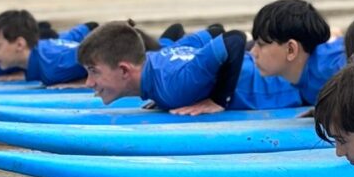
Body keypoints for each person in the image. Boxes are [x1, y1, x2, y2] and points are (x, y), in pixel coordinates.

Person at [77, 20, 303, 115]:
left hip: (287, 88)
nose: (88, 83)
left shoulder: (175, 85)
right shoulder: (158, 63)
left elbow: (233, 39)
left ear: (125, 70)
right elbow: (214, 31)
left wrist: (218, 100)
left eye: (93, 71)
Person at [249, 0, 344, 105]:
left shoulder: (332, 67)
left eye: (261, 45)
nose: (253, 52)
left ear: (291, 50)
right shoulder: (304, 78)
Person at [0, 9, 98, 86]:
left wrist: (85, 82)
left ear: (20, 44)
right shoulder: (45, 45)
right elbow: (89, 26)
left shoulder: (54, 66)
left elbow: (102, 51)